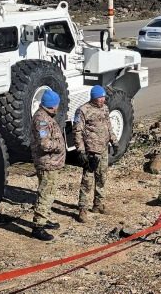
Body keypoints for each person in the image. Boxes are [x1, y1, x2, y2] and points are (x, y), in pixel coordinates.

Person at [73, 85, 118, 221]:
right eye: (100, 97)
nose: (102, 100)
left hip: (103, 149)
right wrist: (81, 151)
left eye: (103, 97)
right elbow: (77, 132)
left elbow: (108, 126)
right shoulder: (83, 110)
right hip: (91, 151)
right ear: (93, 98)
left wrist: (114, 141)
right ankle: (83, 209)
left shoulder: (105, 108)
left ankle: (98, 204)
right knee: (87, 180)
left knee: (102, 177)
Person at [29, 88, 66, 241]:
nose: (58, 107)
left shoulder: (46, 116)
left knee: (49, 192)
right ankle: (38, 226)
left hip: (51, 163)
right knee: (46, 193)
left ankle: (44, 218)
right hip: (47, 163)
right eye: (57, 104)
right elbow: (44, 144)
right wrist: (59, 146)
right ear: (52, 105)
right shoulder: (42, 120)